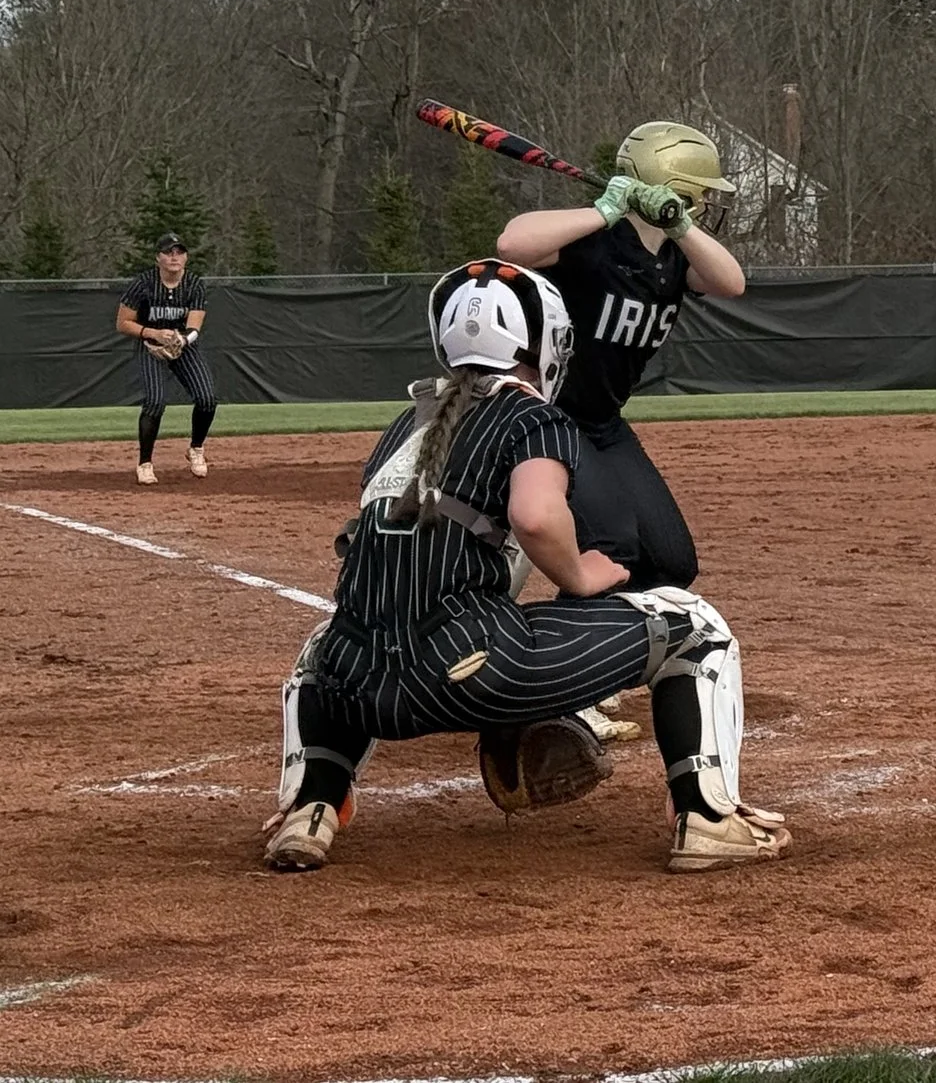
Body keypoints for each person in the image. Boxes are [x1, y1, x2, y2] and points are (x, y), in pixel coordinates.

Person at [261, 259, 788, 875]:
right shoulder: (532, 415)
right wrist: (580, 578)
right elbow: (535, 517)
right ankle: (708, 818)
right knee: (694, 626)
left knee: (324, 642)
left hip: (358, 689)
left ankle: (310, 807)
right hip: (469, 671)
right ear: (546, 341)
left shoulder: (408, 423)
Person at [496, 123, 743, 593]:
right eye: (703, 194)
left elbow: (732, 282)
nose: (709, 203)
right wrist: (607, 209)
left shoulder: (677, 256)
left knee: (671, 564)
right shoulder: (592, 242)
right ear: (682, 187)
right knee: (615, 550)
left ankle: (623, 639)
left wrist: (680, 223)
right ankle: (569, 642)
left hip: (603, 422)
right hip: (547, 417)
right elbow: (511, 244)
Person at [114, 233, 215, 485]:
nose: (174, 257)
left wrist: (182, 341)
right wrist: (152, 333)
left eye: (179, 252)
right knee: (155, 402)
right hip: (150, 345)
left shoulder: (193, 284)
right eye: (168, 252)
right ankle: (145, 463)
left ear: (186, 257)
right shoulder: (144, 283)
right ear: (158, 257)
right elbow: (122, 323)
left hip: (183, 346)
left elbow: (195, 325)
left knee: (207, 398)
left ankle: (196, 448)